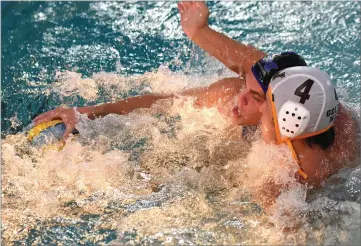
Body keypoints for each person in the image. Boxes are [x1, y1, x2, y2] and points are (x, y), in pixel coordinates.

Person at [33, 1, 360, 187]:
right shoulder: (240, 93)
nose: (241, 99)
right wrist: (91, 112)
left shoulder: (336, 142)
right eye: (247, 89)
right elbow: (163, 103)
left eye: (256, 99)